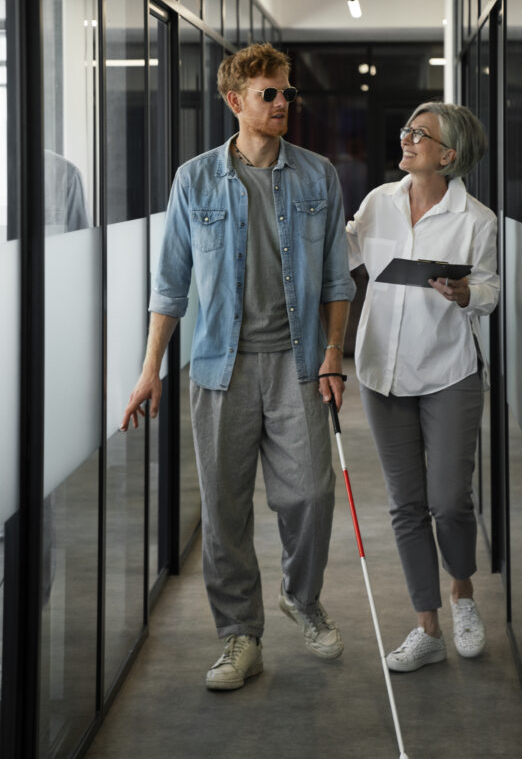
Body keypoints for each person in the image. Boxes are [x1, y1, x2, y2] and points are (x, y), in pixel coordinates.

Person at [121, 42, 355, 691]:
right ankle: (239, 637)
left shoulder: (316, 177)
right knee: (224, 511)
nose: (283, 103)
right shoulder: (194, 179)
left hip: (298, 364)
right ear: (235, 102)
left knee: (308, 492)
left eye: (287, 93)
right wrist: (149, 371)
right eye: (269, 94)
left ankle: (299, 597)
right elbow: (169, 287)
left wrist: (334, 353)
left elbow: (338, 279)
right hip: (218, 368)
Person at [346, 102, 499, 672]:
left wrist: (465, 295)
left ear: (448, 155)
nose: (406, 139)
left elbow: (489, 290)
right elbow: (347, 255)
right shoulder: (378, 203)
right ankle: (426, 627)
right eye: (407, 130)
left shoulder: (475, 219)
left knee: (449, 500)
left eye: (420, 134)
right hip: (381, 368)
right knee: (406, 504)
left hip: (448, 370)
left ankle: (463, 596)